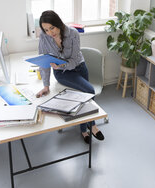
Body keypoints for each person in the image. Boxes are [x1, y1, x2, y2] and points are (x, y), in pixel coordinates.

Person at [35, 10, 104, 144]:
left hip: (79, 66)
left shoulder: (73, 33)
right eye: (46, 30)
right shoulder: (44, 37)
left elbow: (75, 58)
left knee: (86, 96)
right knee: (89, 90)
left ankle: (84, 128)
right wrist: (46, 85)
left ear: (58, 23)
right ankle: (91, 125)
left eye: (52, 28)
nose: (50, 32)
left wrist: (61, 65)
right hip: (62, 73)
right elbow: (44, 61)